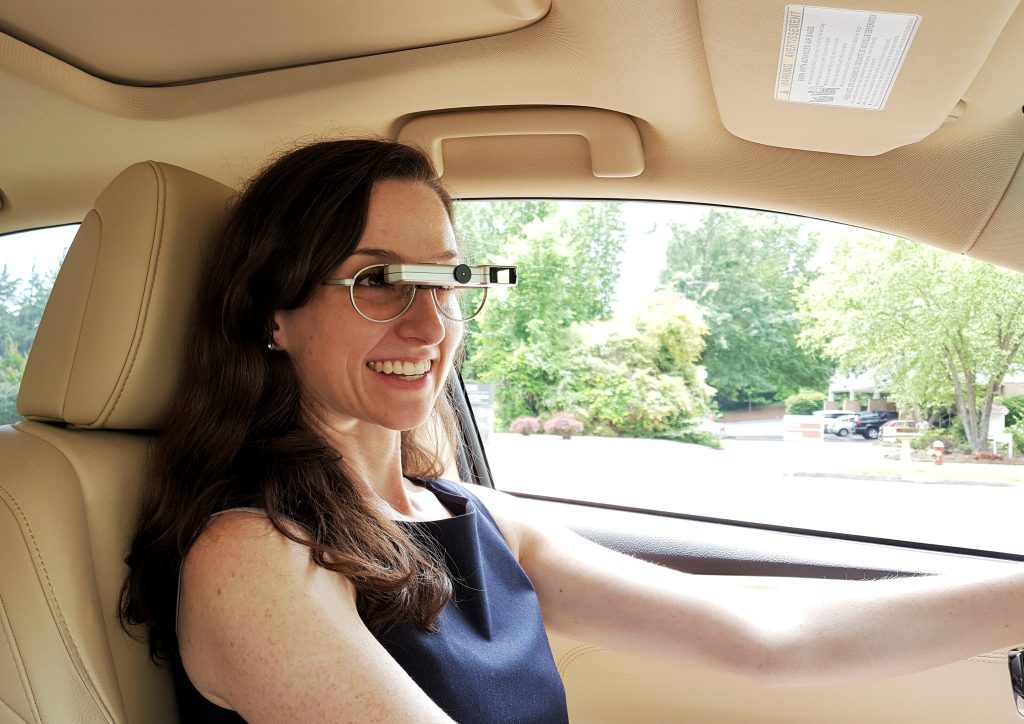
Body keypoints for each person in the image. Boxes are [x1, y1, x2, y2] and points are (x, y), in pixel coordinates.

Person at [122, 139, 1024, 723]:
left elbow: (769, 633)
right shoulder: (255, 556)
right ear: (270, 313)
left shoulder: (469, 517)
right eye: (378, 280)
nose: (431, 327)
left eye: (447, 281)